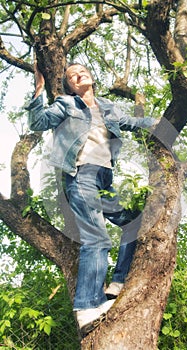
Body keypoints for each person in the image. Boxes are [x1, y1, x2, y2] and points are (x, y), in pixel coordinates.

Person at [26, 61, 157, 336]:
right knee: (97, 238)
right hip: (81, 175)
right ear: (70, 85)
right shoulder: (67, 105)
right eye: (71, 75)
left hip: (104, 179)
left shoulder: (108, 107)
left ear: (91, 77)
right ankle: (87, 308)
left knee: (133, 225)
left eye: (82, 70)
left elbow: (132, 122)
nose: (78, 74)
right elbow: (38, 122)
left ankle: (117, 283)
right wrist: (39, 86)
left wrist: (163, 123)